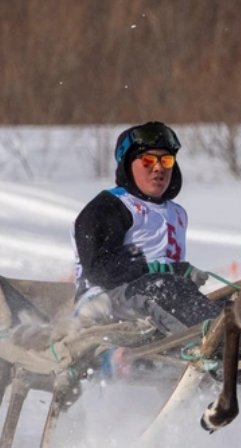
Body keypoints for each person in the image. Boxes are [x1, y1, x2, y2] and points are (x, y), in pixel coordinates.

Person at [71, 121, 221, 335]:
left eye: (166, 160)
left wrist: (182, 272)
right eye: (148, 160)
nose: (159, 168)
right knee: (164, 287)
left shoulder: (176, 212)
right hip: (106, 302)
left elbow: (167, 270)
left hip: (160, 298)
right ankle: (214, 342)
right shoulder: (109, 206)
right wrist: (160, 270)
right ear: (127, 164)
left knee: (238, 303)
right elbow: (98, 269)